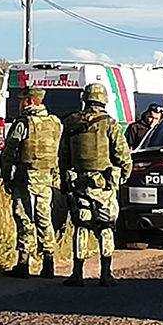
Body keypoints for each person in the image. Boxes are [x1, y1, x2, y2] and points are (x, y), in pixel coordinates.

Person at [60, 83, 132, 287]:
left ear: (85, 99)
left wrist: (65, 181)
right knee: (106, 227)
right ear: (103, 100)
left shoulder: (71, 122)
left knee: (81, 225)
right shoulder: (109, 124)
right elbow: (122, 155)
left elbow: (63, 155)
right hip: (104, 186)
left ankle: (77, 273)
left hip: (79, 183)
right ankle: (106, 273)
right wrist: (123, 175)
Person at [0, 87, 63, 279]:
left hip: (25, 177)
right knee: (45, 218)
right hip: (47, 178)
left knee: (24, 216)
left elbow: (9, 153)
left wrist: (6, 178)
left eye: (22, 100)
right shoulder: (55, 122)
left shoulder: (23, 123)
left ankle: (23, 262)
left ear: (28, 102)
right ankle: (48, 263)